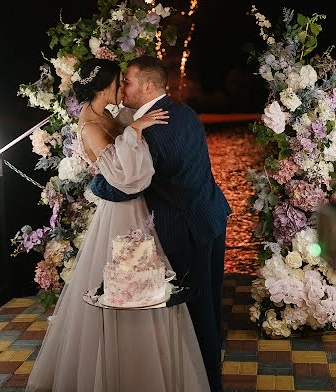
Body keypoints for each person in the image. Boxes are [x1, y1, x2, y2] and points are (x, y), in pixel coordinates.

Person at [26, 58, 210, 392]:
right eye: (120, 82)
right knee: (126, 289)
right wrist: (134, 132)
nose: (123, 86)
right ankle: (126, 372)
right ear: (106, 86)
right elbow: (128, 180)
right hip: (122, 213)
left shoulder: (114, 114)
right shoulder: (92, 126)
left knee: (146, 286)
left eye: (127, 81)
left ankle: (160, 366)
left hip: (142, 212)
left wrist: (132, 126)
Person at [91, 56, 232, 392]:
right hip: (212, 216)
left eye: (128, 82)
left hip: (184, 231)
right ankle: (214, 367)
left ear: (149, 87)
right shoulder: (183, 112)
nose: (122, 87)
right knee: (212, 303)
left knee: (196, 314)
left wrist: (94, 180)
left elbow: (125, 186)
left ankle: (208, 383)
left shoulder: (153, 132)